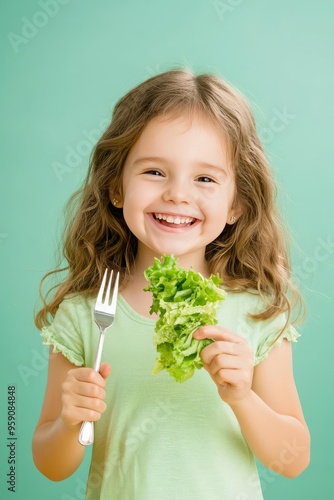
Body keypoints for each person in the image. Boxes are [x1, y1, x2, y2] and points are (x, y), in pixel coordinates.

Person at [32, 69, 310, 500]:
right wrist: (70, 422)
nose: (178, 195)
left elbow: (292, 460)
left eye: (205, 178)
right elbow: (49, 465)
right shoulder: (86, 313)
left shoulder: (256, 311)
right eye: (155, 172)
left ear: (236, 204)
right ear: (116, 188)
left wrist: (242, 398)